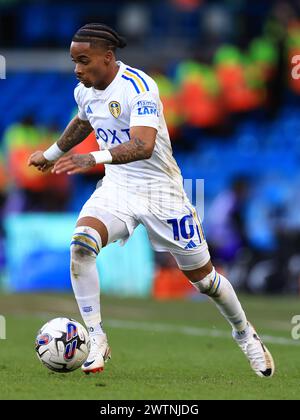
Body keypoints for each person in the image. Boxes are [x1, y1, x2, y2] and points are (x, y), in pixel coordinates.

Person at [28, 23, 274, 377]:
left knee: (204, 279)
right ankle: (96, 339)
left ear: (108, 57)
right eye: (73, 61)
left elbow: (143, 146)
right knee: (81, 246)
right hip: (118, 187)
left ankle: (245, 334)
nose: (77, 69)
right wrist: (52, 153)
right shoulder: (84, 91)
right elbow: (84, 120)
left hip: (161, 192)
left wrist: (92, 158)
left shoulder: (140, 88)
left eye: (84, 61)